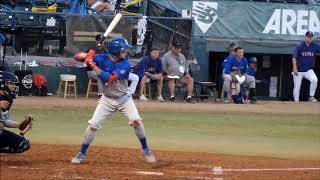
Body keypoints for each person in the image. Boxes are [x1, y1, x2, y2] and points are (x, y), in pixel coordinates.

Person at [71, 37, 156, 164]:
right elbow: (76, 56)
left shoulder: (125, 64)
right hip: (106, 100)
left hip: (124, 99)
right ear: (115, 51)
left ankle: (146, 149)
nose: (125, 52)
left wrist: (92, 64)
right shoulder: (101, 58)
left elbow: (109, 78)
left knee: (136, 121)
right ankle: (81, 153)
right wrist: (88, 55)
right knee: (93, 125)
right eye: (123, 50)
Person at [0, 71, 31, 153]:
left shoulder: (7, 99)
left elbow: (3, 121)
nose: (14, 86)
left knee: (24, 144)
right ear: (3, 84)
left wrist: (19, 125)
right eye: (12, 84)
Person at [292, 31, 319, 102]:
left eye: (311, 37)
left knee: (314, 79)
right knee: (297, 87)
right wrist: (295, 68)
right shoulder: (299, 46)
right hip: (298, 70)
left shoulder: (315, 46)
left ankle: (311, 96)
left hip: (308, 70)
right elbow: (294, 57)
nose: (309, 38)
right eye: (308, 36)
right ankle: (296, 102)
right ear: (305, 37)